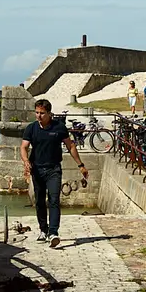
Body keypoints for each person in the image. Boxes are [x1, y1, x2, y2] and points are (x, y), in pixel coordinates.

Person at [19, 98, 86, 249]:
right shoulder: (31, 128)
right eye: (36, 112)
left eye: (42, 113)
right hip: (37, 169)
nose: (38, 116)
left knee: (54, 199)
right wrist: (25, 161)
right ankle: (43, 229)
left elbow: (71, 146)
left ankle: (53, 233)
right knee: (40, 201)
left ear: (49, 113)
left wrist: (80, 165)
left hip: (53, 169)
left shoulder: (59, 127)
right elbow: (23, 147)